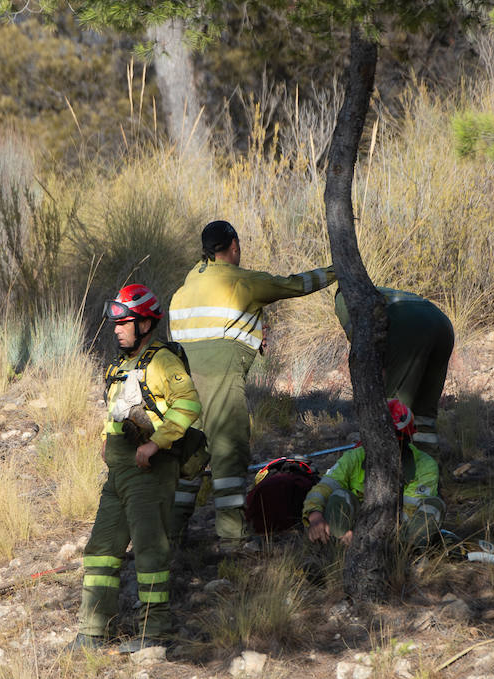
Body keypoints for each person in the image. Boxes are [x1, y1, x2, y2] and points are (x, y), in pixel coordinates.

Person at [167, 220, 335, 550]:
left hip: (183, 379)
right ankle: (232, 536)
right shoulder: (242, 281)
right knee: (229, 450)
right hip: (221, 376)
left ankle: (170, 534)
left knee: (191, 455)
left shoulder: (184, 290)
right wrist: (337, 270)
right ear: (233, 246)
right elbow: (295, 285)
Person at [69, 284, 202, 655]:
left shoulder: (162, 361)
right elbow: (116, 412)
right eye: (115, 323)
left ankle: (154, 631)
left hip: (149, 469)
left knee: (148, 549)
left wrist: (155, 444)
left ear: (145, 324)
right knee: (100, 550)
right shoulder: (119, 366)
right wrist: (103, 439)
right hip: (119, 471)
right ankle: (93, 632)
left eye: (124, 323)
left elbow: (189, 405)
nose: (116, 329)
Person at [302, 400, 443, 548]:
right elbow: (323, 488)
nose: (387, 446)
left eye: (395, 439)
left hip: (399, 533)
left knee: (434, 506)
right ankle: (339, 549)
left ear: (408, 439)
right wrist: (315, 516)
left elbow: (409, 512)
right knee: (339, 496)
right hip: (354, 529)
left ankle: (407, 556)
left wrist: (368, 537)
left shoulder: (425, 465)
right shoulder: (354, 457)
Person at [334, 287, 453, 454]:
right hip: (442, 325)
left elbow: (362, 342)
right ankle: (429, 469)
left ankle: (394, 469)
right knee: (424, 414)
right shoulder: (383, 292)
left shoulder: (343, 297)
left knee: (395, 410)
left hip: (409, 327)